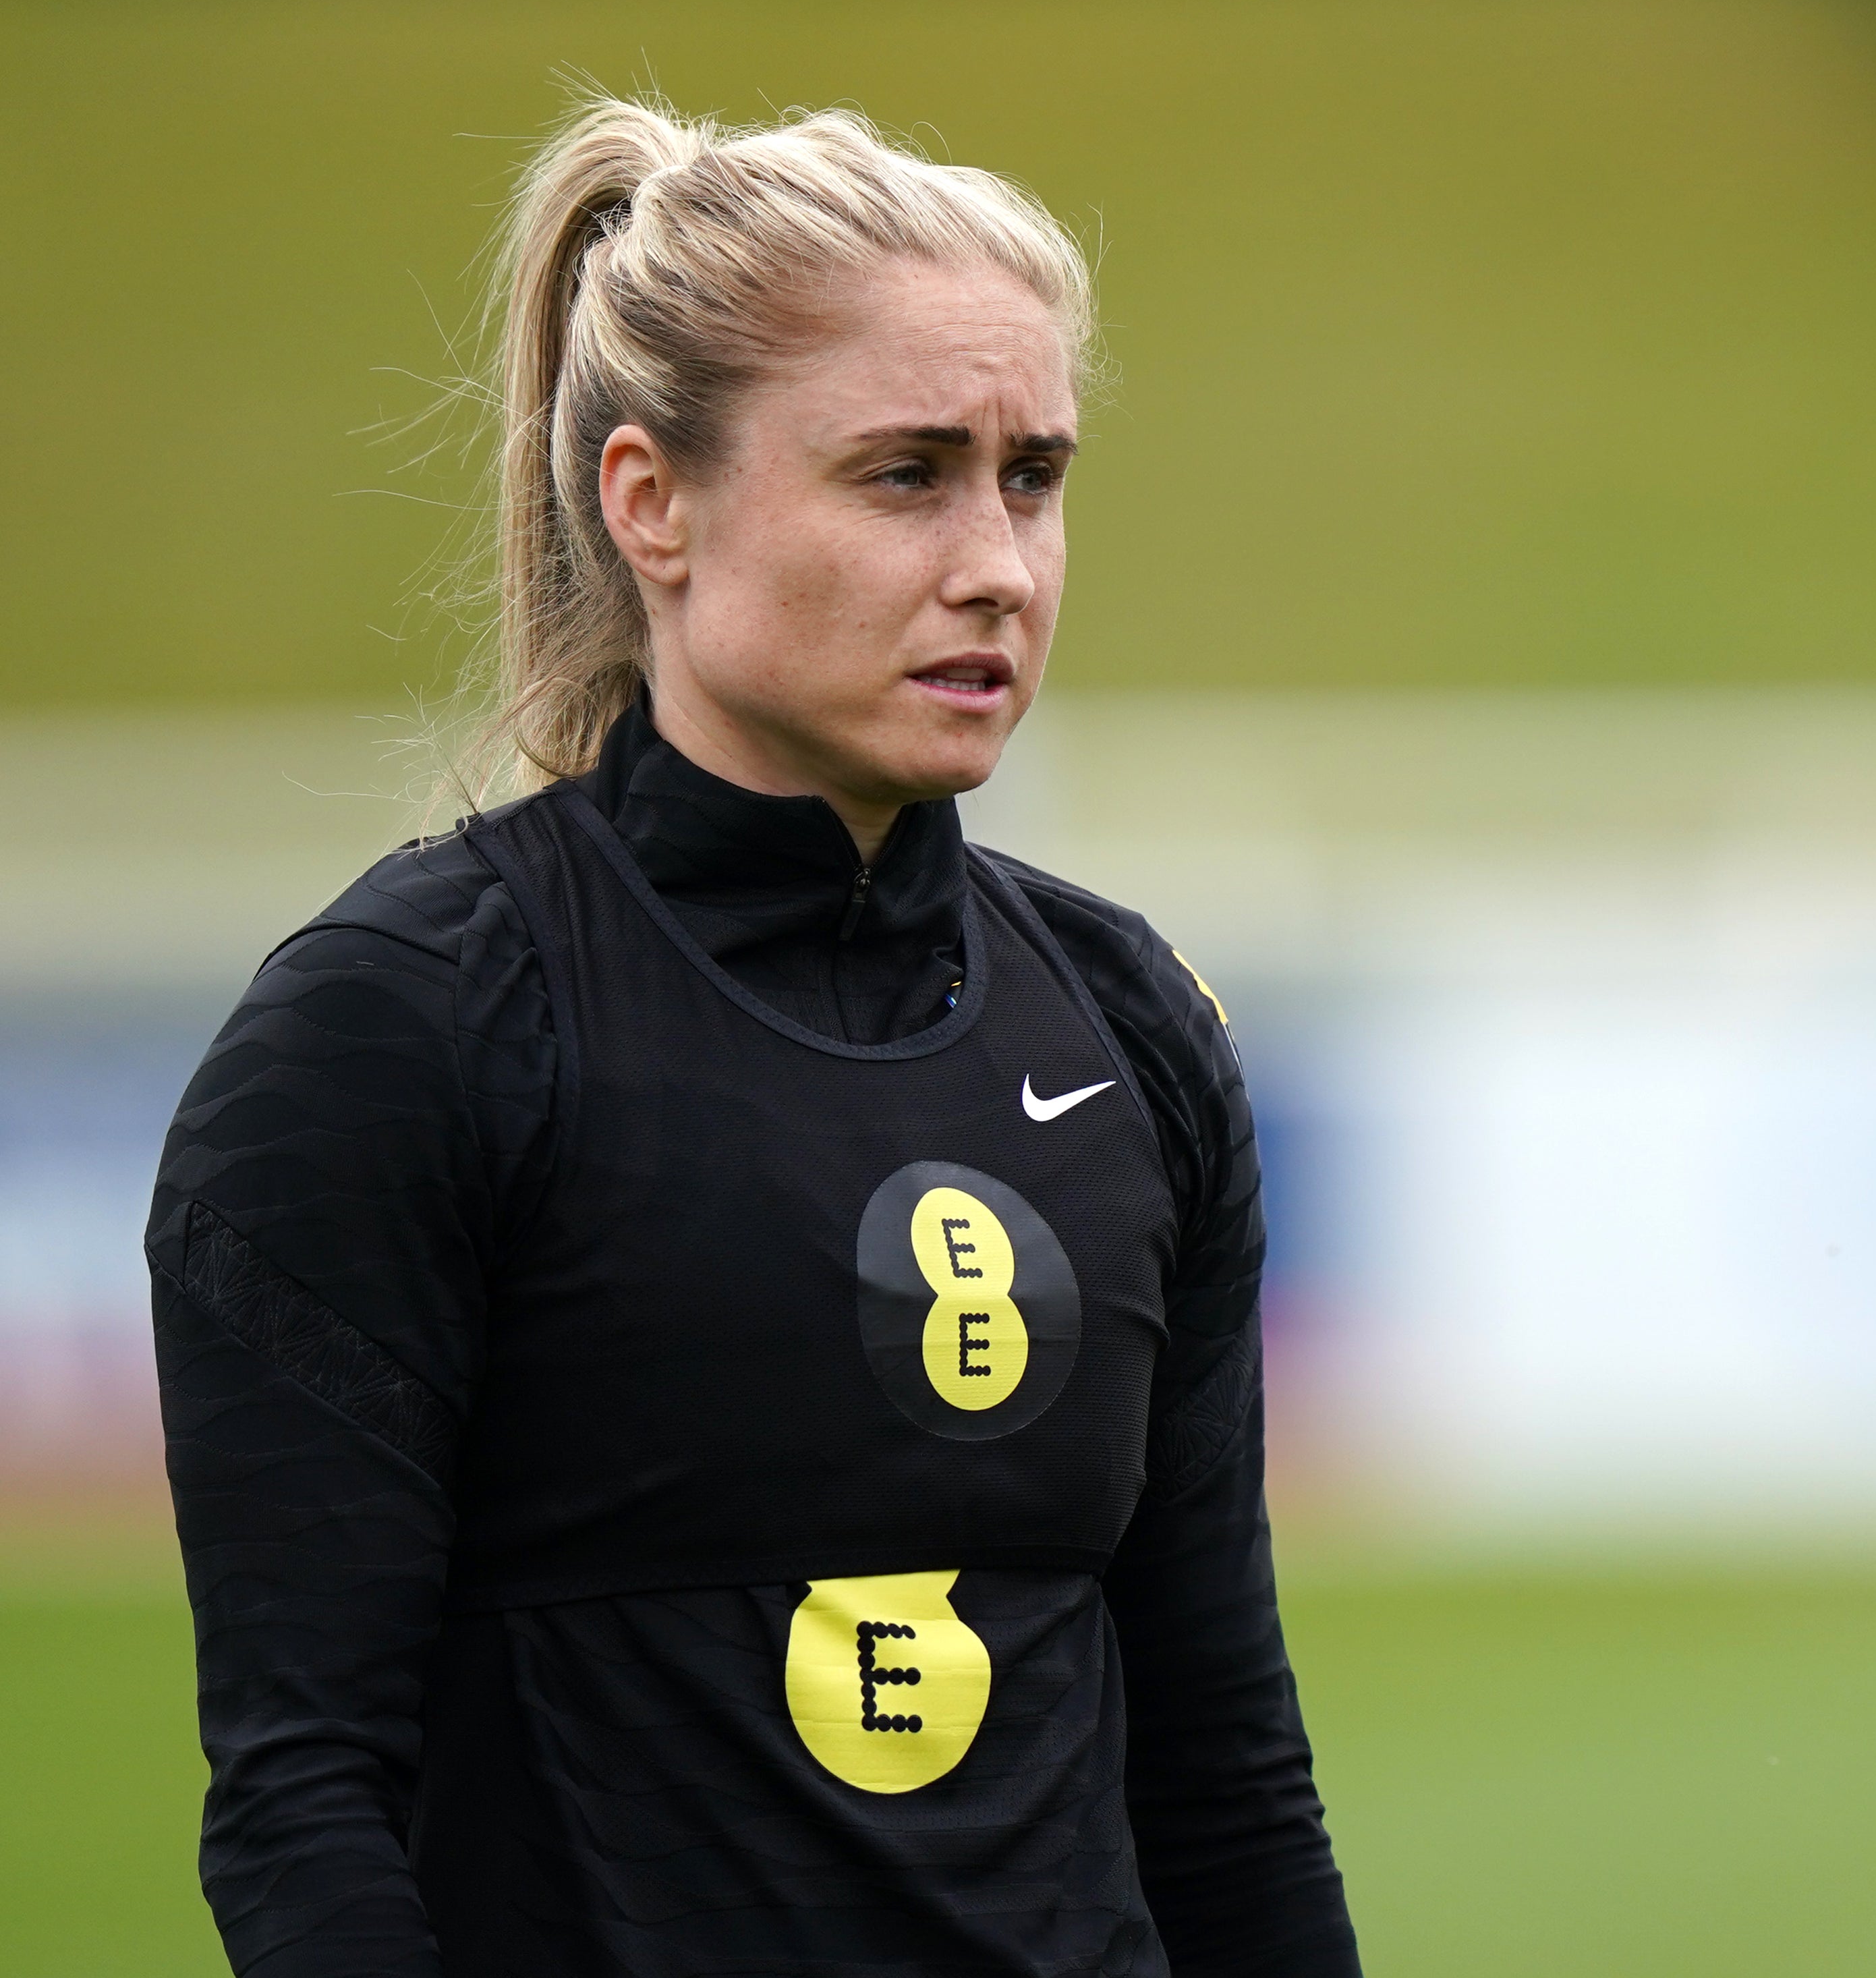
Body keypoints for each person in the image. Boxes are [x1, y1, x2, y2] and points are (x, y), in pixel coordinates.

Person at [146, 98, 1359, 1977]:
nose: (999, 567)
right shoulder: (397, 1029)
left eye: (1031, 475)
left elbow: (1224, 1771)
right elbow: (303, 1808)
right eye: (905, 475)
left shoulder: (1131, 1025)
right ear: (654, 501)